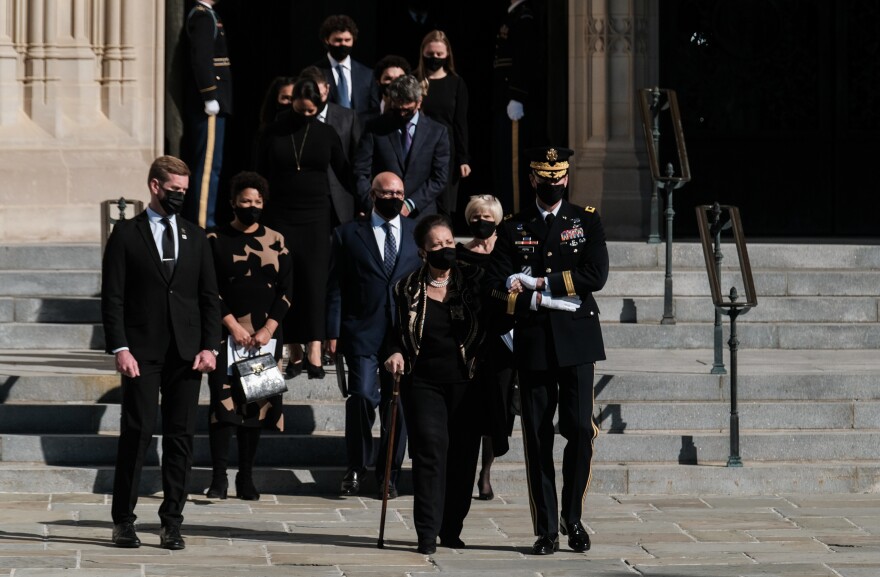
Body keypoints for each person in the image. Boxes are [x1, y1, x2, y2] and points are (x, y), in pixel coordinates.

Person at [488, 146, 608, 556]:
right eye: (546, 178)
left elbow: (596, 274)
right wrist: (526, 298)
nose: (553, 184)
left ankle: (571, 515)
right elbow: (498, 283)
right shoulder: (512, 227)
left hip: (577, 338)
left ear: (567, 179)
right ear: (533, 180)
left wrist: (539, 284)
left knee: (578, 429)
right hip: (535, 340)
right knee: (538, 438)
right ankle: (546, 529)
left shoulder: (585, 220)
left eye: (560, 178)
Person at [102, 155, 221, 550]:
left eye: (184, 193)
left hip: (186, 353)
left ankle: (172, 521)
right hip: (141, 350)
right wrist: (120, 346)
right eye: (174, 191)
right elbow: (113, 297)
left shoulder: (196, 236)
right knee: (136, 434)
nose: (179, 198)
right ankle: (123, 520)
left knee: (180, 437)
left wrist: (209, 346)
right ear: (155, 186)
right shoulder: (126, 234)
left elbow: (208, 297)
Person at [384, 213, 486, 555]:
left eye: (448, 243)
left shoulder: (472, 281)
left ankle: (451, 527)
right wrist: (394, 352)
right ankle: (426, 534)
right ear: (423, 253)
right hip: (423, 382)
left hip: (467, 382)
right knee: (429, 453)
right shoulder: (405, 288)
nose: (445, 249)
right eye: (436, 245)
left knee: (462, 458)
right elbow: (392, 334)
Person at [325, 172, 422, 499]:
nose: (394, 197)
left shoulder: (416, 232)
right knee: (363, 396)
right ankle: (356, 467)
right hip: (362, 332)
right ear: (373, 195)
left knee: (398, 407)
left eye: (399, 192)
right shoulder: (348, 234)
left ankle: (388, 476)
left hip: (404, 336)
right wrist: (332, 330)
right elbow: (336, 286)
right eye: (387, 192)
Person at [205, 171, 292, 501]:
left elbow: (287, 290)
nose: (252, 207)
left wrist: (268, 328)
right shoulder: (214, 241)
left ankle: (246, 477)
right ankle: (218, 478)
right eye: (245, 201)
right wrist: (234, 327)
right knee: (223, 406)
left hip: (264, 339)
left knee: (255, 405)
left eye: (257, 202)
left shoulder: (277, 241)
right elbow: (210, 289)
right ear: (232, 203)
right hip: (226, 336)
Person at [256, 77, 350, 380]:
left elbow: (345, 172)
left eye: (313, 111)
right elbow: (258, 172)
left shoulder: (326, 133)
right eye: (302, 109)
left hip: (315, 217)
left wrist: (366, 202)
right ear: (293, 101)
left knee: (314, 282)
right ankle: (294, 351)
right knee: (287, 282)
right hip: (280, 216)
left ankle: (314, 349)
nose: (306, 115)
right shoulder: (273, 132)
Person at [455, 194, 513, 501]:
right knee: (470, 411)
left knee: (497, 412)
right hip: (467, 340)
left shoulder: (506, 252)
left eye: (487, 217)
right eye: (476, 216)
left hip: (501, 341)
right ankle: (463, 470)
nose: (482, 221)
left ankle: (486, 471)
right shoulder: (459, 253)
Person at [353, 74, 450, 220]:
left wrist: (410, 204)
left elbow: (439, 177)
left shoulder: (437, 132)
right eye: (398, 109)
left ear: (419, 102)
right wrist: (373, 204)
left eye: (408, 110)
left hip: (420, 214)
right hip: (380, 213)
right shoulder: (375, 128)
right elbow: (360, 171)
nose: (403, 114)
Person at [491, 0, 548, 214]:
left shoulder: (524, 17)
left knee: (514, 165)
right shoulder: (512, 15)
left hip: (514, 100)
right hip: (504, 98)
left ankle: (514, 213)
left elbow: (525, 59)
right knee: (504, 161)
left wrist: (518, 95)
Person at [183, 0, 232, 229]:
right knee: (207, 167)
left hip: (216, 100)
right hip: (210, 103)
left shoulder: (209, 14)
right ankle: (202, 223)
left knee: (213, 165)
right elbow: (201, 58)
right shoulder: (203, 16)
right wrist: (209, 95)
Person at [416, 30, 471, 222]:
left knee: (445, 201)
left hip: (447, 149)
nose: (435, 58)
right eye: (430, 54)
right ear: (423, 53)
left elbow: (460, 122)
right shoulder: (415, 80)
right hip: (419, 146)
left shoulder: (456, 83)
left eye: (439, 54)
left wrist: (464, 158)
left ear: (447, 55)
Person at [298, 65, 362, 226]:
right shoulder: (292, 119)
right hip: (303, 200)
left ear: (327, 89)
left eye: (318, 93)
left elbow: (358, 162)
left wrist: (363, 201)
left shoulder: (348, 117)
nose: (315, 98)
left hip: (340, 200)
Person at [313, 14, 379, 117]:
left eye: (347, 40)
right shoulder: (315, 72)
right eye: (338, 40)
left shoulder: (367, 74)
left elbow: (373, 110)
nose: (343, 44)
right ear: (327, 40)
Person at [362, 54, 412, 124]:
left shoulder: (414, 118)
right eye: (388, 79)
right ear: (378, 82)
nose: (395, 83)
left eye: (400, 78)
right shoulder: (363, 119)